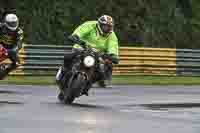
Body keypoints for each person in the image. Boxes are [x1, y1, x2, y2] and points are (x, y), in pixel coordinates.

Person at [56, 15, 119, 96]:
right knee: (68, 57)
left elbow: (113, 47)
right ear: (100, 24)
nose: (107, 28)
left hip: (97, 55)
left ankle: (89, 83)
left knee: (102, 71)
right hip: (81, 48)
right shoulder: (90, 25)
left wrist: (113, 56)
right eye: (105, 26)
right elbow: (80, 31)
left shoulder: (112, 36)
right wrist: (75, 36)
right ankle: (62, 72)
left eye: (109, 27)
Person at [0, 13, 23, 79]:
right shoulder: (1, 26)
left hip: (10, 50)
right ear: (6, 22)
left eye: (14, 23)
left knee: (17, 63)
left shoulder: (19, 31)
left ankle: (4, 72)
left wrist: (15, 49)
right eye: (11, 23)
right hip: (1, 46)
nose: (13, 25)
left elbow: (19, 43)